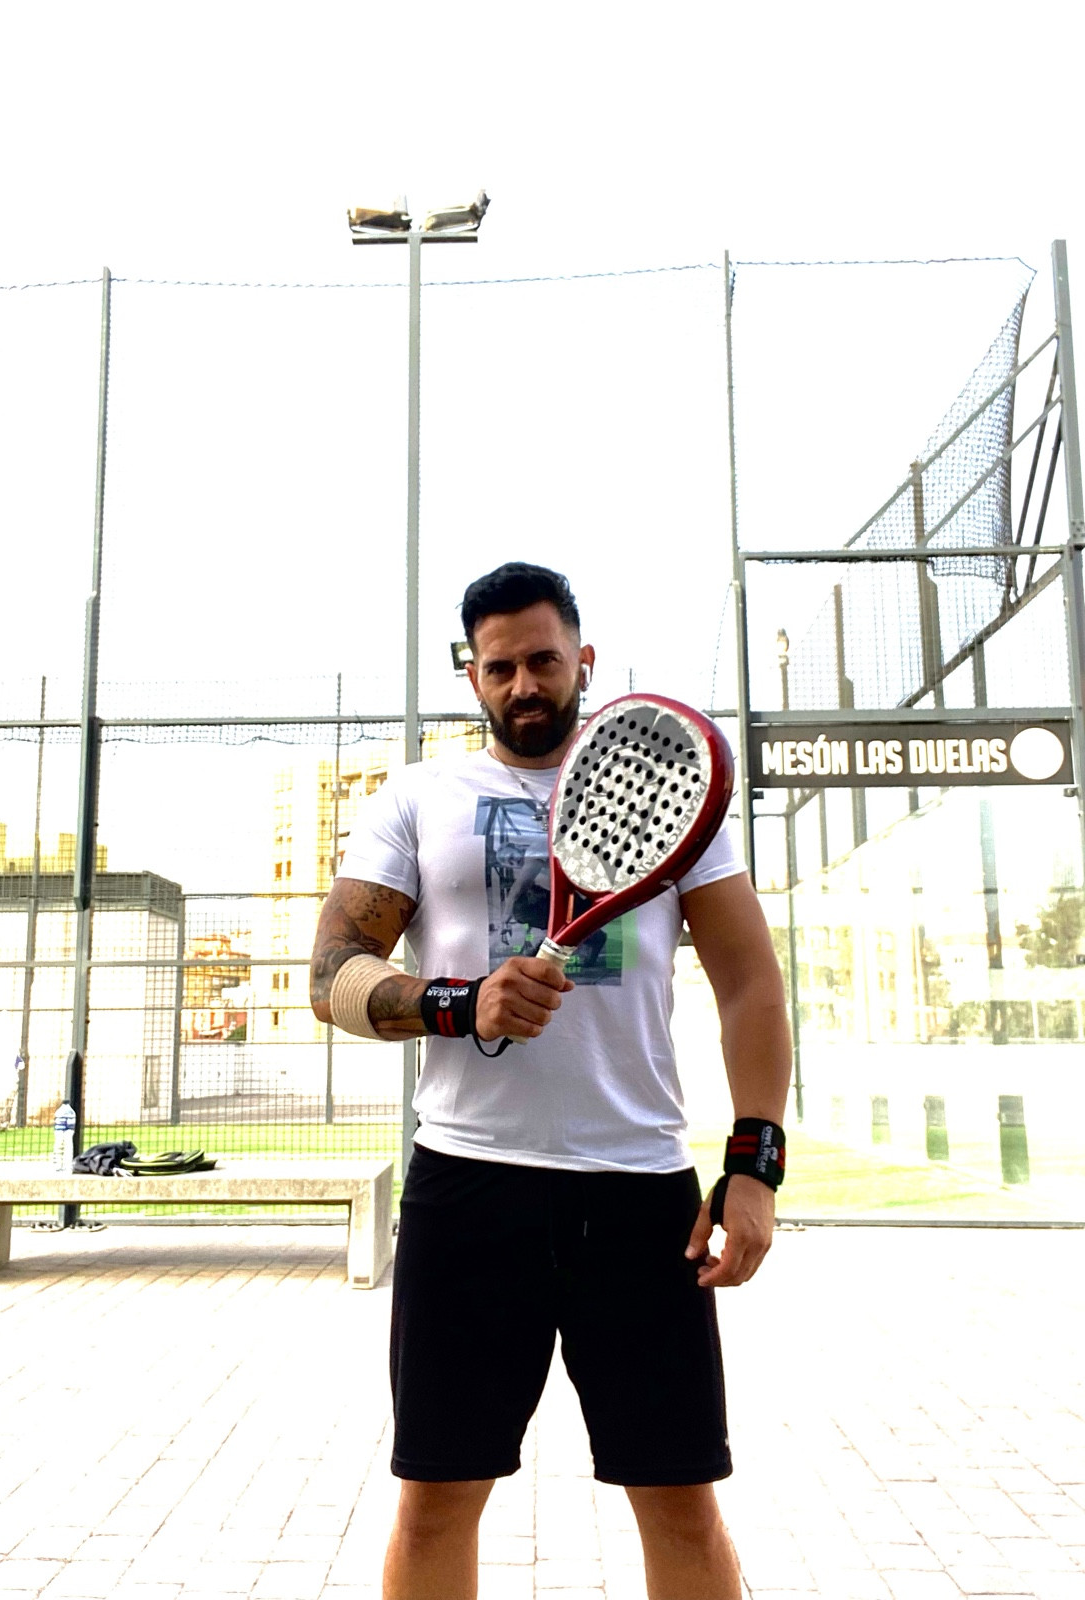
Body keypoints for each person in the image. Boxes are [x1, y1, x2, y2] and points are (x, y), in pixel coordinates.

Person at [309, 561, 791, 1600]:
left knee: (682, 1501)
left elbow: (750, 983)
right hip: (469, 1189)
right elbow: (332, 977)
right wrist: (461, 1002)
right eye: (500, 668)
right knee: (437, 1499)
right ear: (472, 677)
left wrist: (754, 1166)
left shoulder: (663, 790)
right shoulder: (419, 797)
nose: (524, 684)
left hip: (641, 1196)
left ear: (584, 660)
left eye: (542, 660)